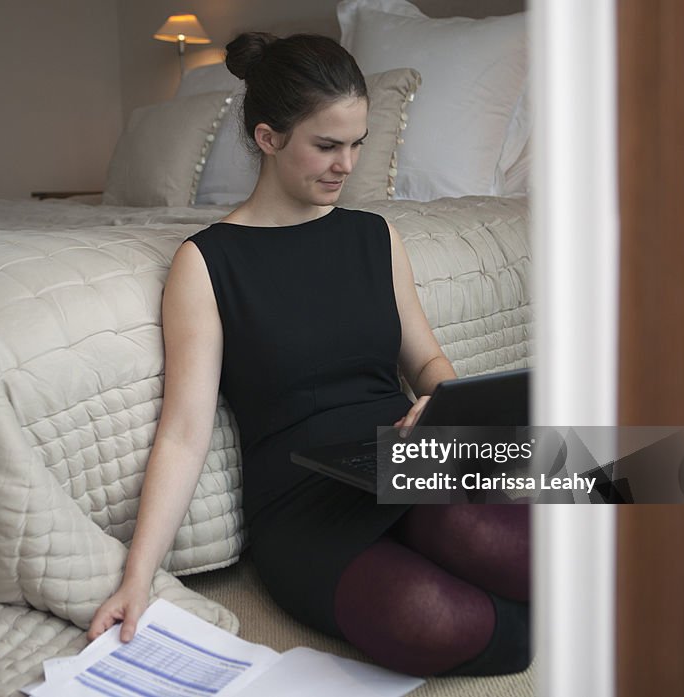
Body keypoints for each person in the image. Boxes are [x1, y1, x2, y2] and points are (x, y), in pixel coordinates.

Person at [89, 32, 530, 677]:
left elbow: (429, 365)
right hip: (303, 499)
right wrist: (138, 576)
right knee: (437, 620)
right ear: (268, 138)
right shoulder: (208, 262)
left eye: (357, 144)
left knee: (507, 538)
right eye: (326, 145)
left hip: (404, 457)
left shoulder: (374, 236)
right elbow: (184, 434)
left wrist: (439, 406)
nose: (346, 165)